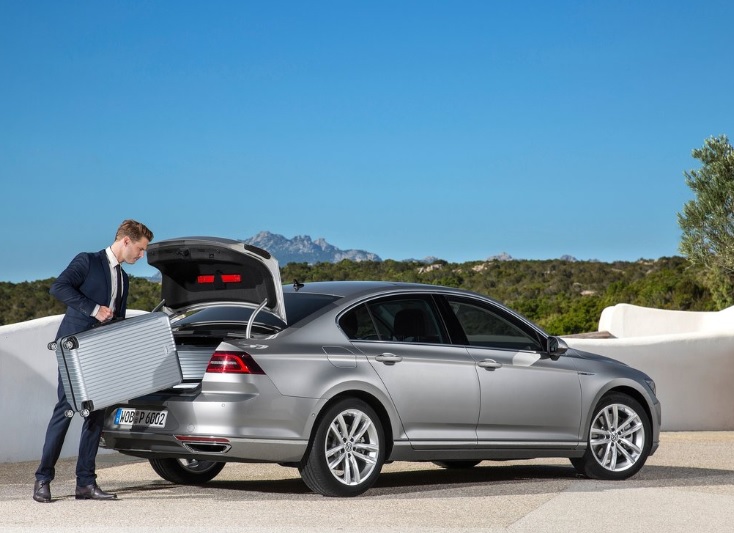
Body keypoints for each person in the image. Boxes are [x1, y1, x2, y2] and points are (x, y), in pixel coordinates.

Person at [33, 219, 154, 503]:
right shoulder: (87, 261)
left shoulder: (124, 278)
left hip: (101, 353)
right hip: (74, 349)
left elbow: (118, 320)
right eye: (140, 248)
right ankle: (42, 479)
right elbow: (58, 287)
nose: (142, 255)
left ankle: (85, 483)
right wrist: (92, 308)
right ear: (126, 241)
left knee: (95, 414)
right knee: (66, 409)